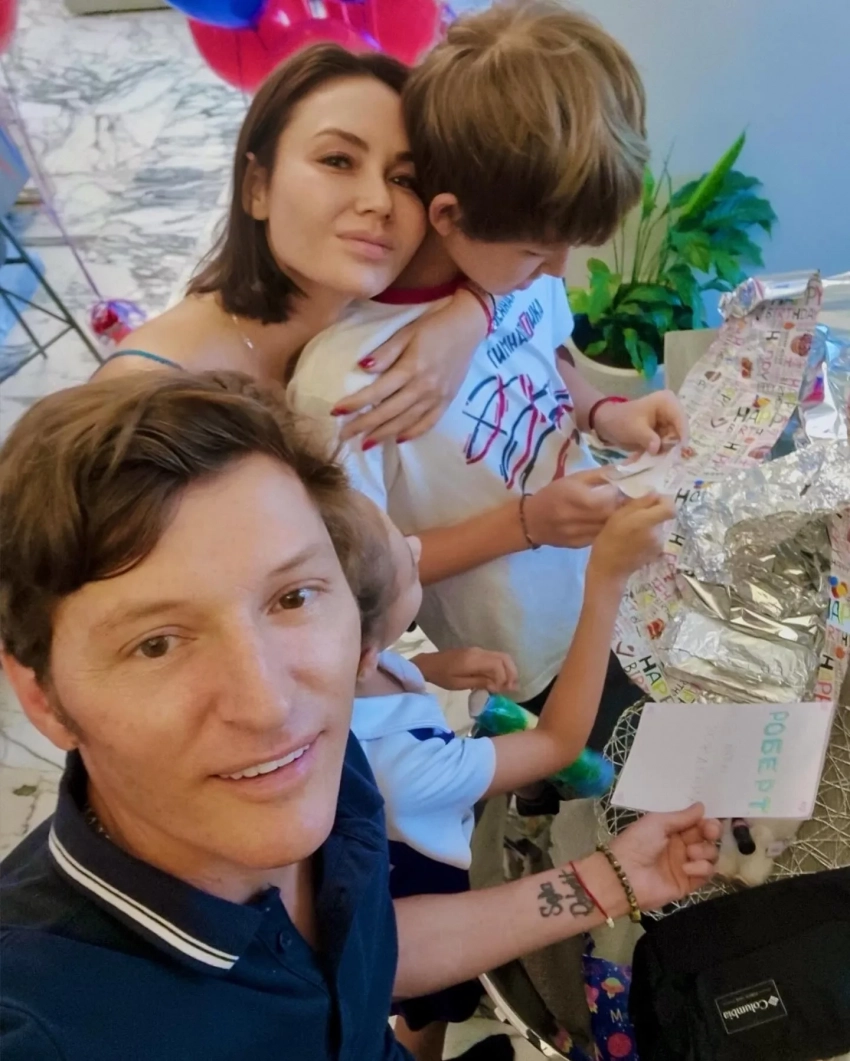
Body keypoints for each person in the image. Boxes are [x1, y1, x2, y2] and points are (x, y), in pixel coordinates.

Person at [0, 372, 720, 1061]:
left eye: (293, 597)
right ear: (41, 697)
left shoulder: (328, 755)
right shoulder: (45, 1028)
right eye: (156, 643)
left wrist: (611, 879)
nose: (270, 705)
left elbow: (365, 948)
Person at [288, 0, 687, 782]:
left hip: (614, 585)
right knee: (608, 778)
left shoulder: (503, 269)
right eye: (540, 251)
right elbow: (370, 577)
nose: (557, 271)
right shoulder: (348, 383)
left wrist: (607, 411)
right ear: (448, 215)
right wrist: (529, 522)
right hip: (525, 648)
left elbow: (548, 360)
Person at [349, 490, 674, 1059]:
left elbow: (369, 674)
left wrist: (429, 668)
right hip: (418, 895)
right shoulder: (412, 768)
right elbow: (556, 742)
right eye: (409, 559)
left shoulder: (340, 673)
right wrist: (605, 580)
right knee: (434, 995)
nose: (419, 550)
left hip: (392, 855)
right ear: (365, 646)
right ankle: (426, 1038)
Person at [94, 45, 493, 448]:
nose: (379, 201)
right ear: (257, 187)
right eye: (338, 161)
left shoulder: (392, 300)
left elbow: (517, 253)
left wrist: (470, 317)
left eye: (405, 179)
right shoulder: (147, 399)